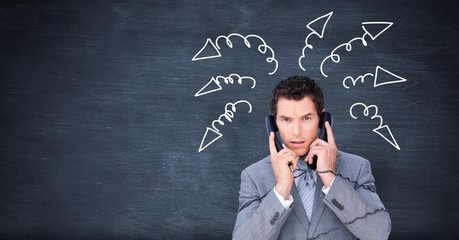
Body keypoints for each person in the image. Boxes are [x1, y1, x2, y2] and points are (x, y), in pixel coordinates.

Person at [232, 76, 391, 240]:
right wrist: (281, 189)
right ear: (273, 124)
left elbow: (378, 234)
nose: (296, 132)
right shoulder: (253, 176)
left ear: (322, 120)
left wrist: (331, 179)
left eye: (306, 118)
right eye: (286, 120)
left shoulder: (357, 167)